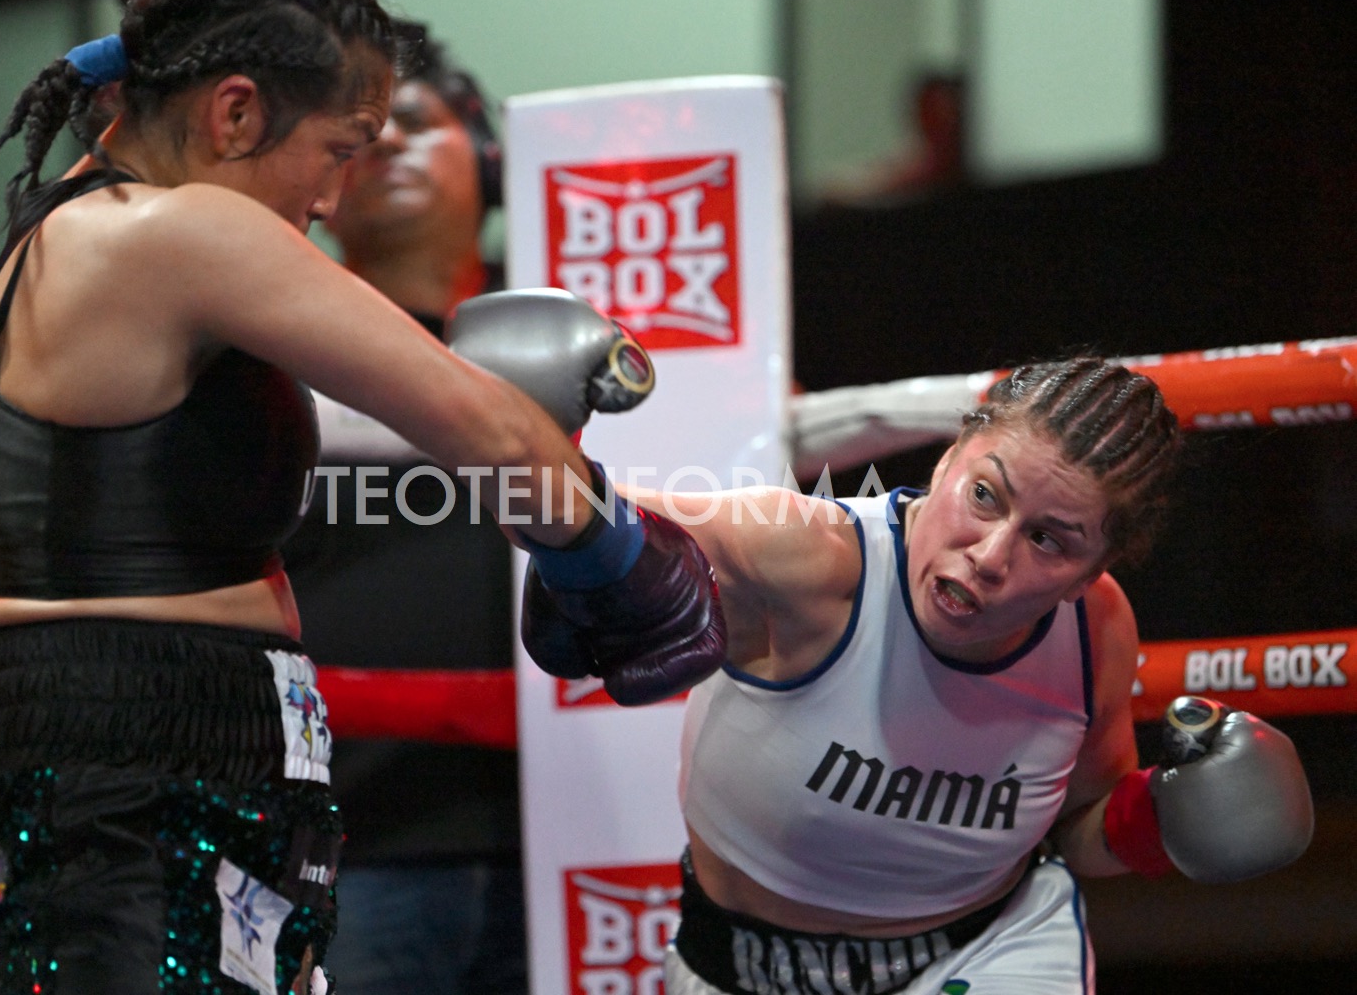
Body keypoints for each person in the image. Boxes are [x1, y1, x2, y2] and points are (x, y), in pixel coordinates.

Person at [0, 0, 701, 993]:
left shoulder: (81, 226)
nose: (336, 198)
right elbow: (487, 426)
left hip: (150, 767)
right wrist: (626, 566)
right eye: (341, 148)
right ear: (236, 113)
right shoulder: (174, 231)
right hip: (135, 787)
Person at [512, 357, 1315, 994]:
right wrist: (549, 454)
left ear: (1090, 572)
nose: (991, 555)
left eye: (1049, 540)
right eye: (985, 496)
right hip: (738, 967)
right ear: (949, 458)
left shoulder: (1094, 625)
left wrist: (1159, 821)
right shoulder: (810, 559)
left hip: (985, 956)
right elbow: (579, 508)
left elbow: (1080, 823)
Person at [279, 23, 527, 995]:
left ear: (488, 157)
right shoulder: (267, 345)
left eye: (415, 123)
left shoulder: (586, 346)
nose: (386, 149)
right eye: (359, 136)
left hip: (574, 831)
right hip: (346, 839)